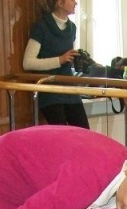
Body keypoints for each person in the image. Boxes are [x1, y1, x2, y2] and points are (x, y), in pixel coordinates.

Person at [22, 0, 89, 129]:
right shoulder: (41, 27)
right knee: (61, 133)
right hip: (49, 91)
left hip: (69, 87)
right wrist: (60, 60)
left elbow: (67, 57)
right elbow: (28, 62)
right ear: (60, 3)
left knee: (84, 131)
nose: (75, 3)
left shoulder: (72, 28)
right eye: (72, 0)